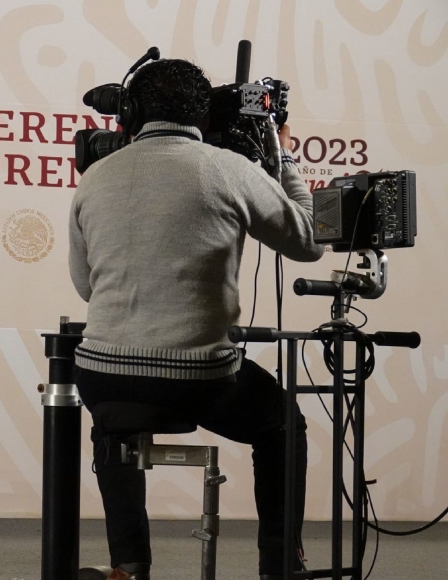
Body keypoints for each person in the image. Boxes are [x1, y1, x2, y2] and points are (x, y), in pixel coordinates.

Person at [68, 59, 324, 580]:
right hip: (197, 379)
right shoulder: (229, 170)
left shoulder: (94, 177)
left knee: (112, 417)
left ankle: (128, 565)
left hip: (100, 373)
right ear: (204, 114)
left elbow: (85, 286)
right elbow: (309, 241)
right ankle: (279, 563)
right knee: (281, 424)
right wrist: (285, 155)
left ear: (131, 112)